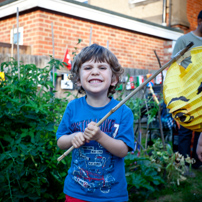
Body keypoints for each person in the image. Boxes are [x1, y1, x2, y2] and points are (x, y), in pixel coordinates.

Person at [56, 44, 134, 202]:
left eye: (102, 67)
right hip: (77, 192)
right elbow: (60, 141)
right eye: (88, 67)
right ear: (78, 79)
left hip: (112, 195)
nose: (95, 71)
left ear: (114, 79)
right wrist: (73, 138)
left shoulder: (123, 111)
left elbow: (123, 150)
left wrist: (100, 136)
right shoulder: (73, 107)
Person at [172, 10, 202, 171]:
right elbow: (174, 65)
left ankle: (198, 163)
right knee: (185, 128)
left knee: (200, 128)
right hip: (187, 92)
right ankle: (183, 165)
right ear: (199, 21)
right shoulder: (185, 40)